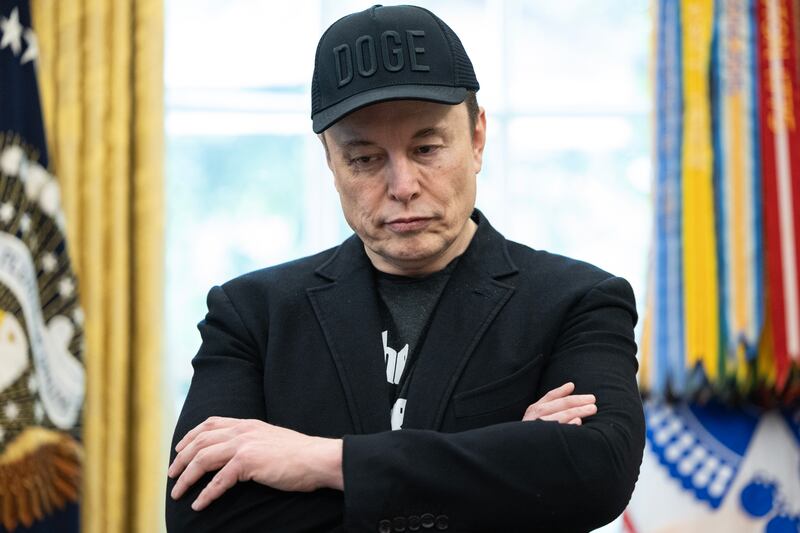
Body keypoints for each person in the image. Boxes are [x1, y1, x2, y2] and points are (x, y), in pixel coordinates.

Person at [165, 5, 645, 532]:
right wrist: (507, 463)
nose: (403, 185)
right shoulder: (251, 314)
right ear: (330, 160)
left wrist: (323, 461)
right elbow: (201, 517)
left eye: (427, 148)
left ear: (477, 137)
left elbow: (595, 473)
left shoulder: (578, 301)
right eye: (365, 159)